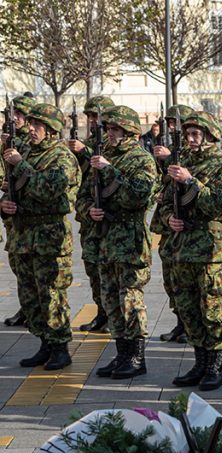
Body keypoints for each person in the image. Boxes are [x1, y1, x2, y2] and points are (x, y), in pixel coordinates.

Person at [157, 111, 222, 391]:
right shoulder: (179, 164)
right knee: (188, 309)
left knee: (212, 309)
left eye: (197, 134)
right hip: (180, 250)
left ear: (210, 137)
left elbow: (216, 206)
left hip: (209, 252)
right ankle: (199, 362)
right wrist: (169, 218)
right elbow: (163, 203)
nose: (191, 139)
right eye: (188, 134)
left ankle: (215, 367)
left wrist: (190, 181)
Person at [1, 103, 81, 370]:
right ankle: (44, 342)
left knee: (51, 294)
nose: (31, 129)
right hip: (23, 236)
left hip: (49, 237)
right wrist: (5, 204)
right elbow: (12, 188)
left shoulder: (62, 157)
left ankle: (60, 347)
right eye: (31, 124)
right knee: (30, 294)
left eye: (38, 126)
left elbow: (49, 190)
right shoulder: (25, 152)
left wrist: (20, 164)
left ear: (50, 130)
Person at [82, 105, 158, 379]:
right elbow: (81, 196)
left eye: (116, 130)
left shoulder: (142, 161)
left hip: (129, 241)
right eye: (109, 129)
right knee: (111, 300)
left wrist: (110, 171)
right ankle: (122, 353)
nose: (111, 134)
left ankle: (137, 357)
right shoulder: (99, 159)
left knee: (130, 300)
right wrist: (88, 211)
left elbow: (138, 196)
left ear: (130, 132)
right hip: (104, 240)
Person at [68, 95, 115, 334]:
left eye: (97, 116)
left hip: (108, 217)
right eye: (90, 117)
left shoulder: (110, 143)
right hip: (89, 215)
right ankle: (101, 312)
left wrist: (85, 152)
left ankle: (111, 315)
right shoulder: (87, 141)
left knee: (108, 271)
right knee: (92, 268)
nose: (93, 121)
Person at [152, 104, 195, 344]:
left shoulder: (188, 156)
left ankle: (191, 326)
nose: (170, 127)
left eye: (175, 123)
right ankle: (180, 322)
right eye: (168, 123)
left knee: (188, 283)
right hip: (169, 224)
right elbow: (163, 184)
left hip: (188, 229)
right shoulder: (170, 151)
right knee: (171, 280)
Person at [1, 94, 35, 329]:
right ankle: (26, 307)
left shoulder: (32, 143)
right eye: (12, 114)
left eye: (21, 114)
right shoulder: (7, 139)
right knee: (18, 265)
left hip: (30, 214)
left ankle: (33, 309)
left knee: (31, 266)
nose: (15, 118)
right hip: (12, 210)